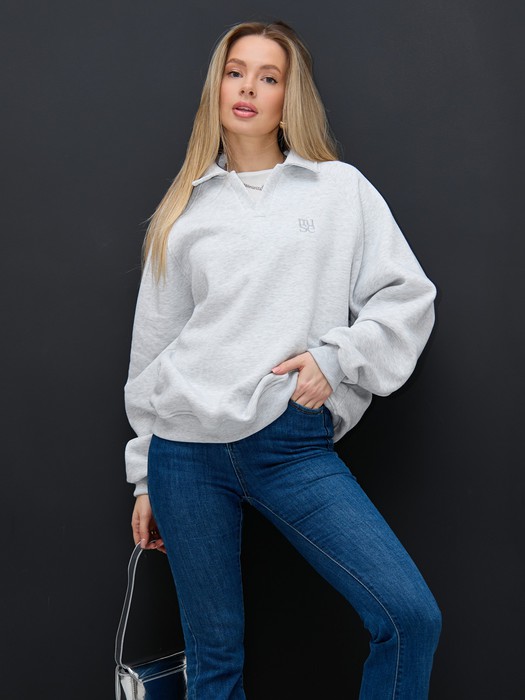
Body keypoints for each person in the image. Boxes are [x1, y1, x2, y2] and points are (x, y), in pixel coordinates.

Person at [124, 19, 442, 700]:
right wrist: (144, 476)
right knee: (214, 664)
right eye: (235, 72)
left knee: (408, 616)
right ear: (216, 88)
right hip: (184, 453)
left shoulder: (337, 190)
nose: (248, 88)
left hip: (289, 443)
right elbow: (153, 350)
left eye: (268, 77)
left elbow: (406, 296)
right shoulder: (183, 209)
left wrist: (337, 357)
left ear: (287, 97)